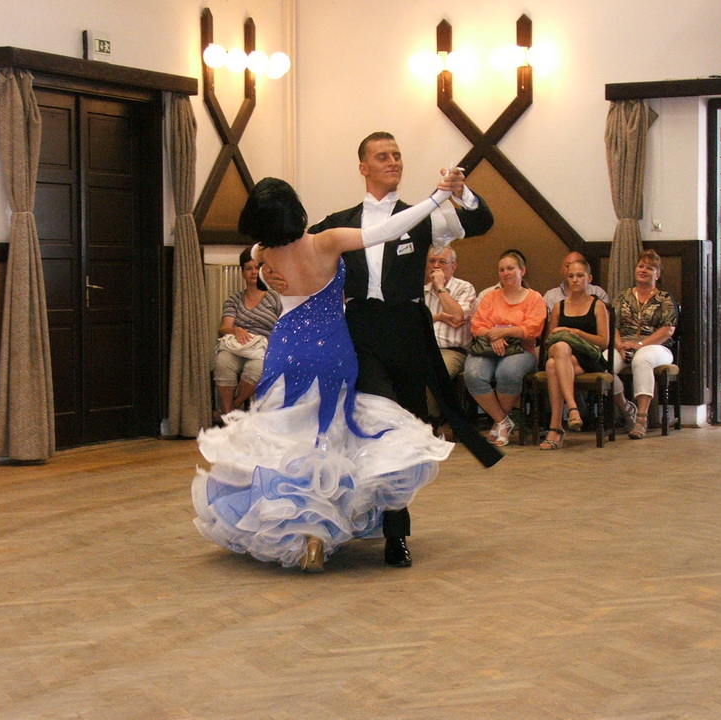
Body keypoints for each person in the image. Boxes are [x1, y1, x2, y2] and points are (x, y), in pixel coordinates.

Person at [192, 174, 461, 572]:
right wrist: (436, 198)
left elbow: (256, 255)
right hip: (331, 352)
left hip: (285, 351)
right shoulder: (326, 242)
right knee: (326, 440)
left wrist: (265, 273)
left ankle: (304, 535)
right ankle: (318, 532)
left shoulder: (265, 252)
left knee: (284, 440)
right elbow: (388, 230)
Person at [305, 131, 501, 568]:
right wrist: (262, 261)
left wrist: (462, 192)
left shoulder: (424, 216)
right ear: (363, 167)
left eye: (397, 155)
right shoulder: (340, 220)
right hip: (361, 330)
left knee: (407, 428)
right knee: (380, 421)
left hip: (408, 330)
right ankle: (380, 527)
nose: (393, 161)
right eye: (383, 156)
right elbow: (295, 247)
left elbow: (481, 223)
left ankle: (394, 528)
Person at [464, 250, 547, 446]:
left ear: (522, 271)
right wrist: (493, 336)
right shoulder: (490, 297)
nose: (505, 273)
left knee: (507, 372)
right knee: (473, 374)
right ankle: (503, 421)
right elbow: (477, 325)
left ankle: (498, 424)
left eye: (510, 268)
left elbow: (533, 328)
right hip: (488, 348)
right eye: (501, 270)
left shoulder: (534, 298)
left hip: (521, 351)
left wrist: (504, 332)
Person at [539, 257, 610, 450]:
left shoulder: (597, 305)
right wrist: (562, 336)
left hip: (588, 358)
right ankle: (572, 408)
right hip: (563, 356)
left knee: (552, 367)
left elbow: (603, 342)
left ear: (589, 278)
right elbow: (549, 341)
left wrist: (576, 333)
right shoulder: (559, 307)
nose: (575, 280)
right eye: (571, 276)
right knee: (559, 349)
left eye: (580, 275)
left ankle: (556, 428)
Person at [608, 249, 678, 440]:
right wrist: (619, 345)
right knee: (604, 365)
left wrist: (640, 344)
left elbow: (668, 330)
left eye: (650, 268)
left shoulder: (665, 298)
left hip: (657, 346)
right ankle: (625, 408)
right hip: (624, 345)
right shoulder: (622, 296)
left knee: (642, 359)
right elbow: (612, 325)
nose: (643, 270)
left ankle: (642, 418)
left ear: (657, 274)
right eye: (641, 266)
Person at [212, 247, 281, 423]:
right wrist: (235, 330)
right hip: (236, 347)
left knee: (257, 368)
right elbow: (223, 328)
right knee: (222, 362)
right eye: (249, 268)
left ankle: (233, 408)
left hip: (262, 348)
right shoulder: (233, 300)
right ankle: (228, 416)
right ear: (242, 272)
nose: (253, 272)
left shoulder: (274, 298)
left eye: (257, 268)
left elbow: (283, 327)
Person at [423, 245, 476, 419]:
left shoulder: (464, 288)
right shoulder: (421, 291)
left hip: (451, 351)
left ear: (453, 266)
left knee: (433, 376)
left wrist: (440, 287)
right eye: (432, 261)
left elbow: (456, 316)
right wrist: (437, 317)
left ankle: (431, 423)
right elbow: (412, 323)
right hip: (422, 349)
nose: (436, 265)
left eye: (442, 262)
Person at [542, 251, 609, 313]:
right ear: (561, 270)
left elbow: (607, 318)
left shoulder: (598, 293)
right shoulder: (550, 296)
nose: (572, 268)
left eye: (577, 264)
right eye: (568, 266)